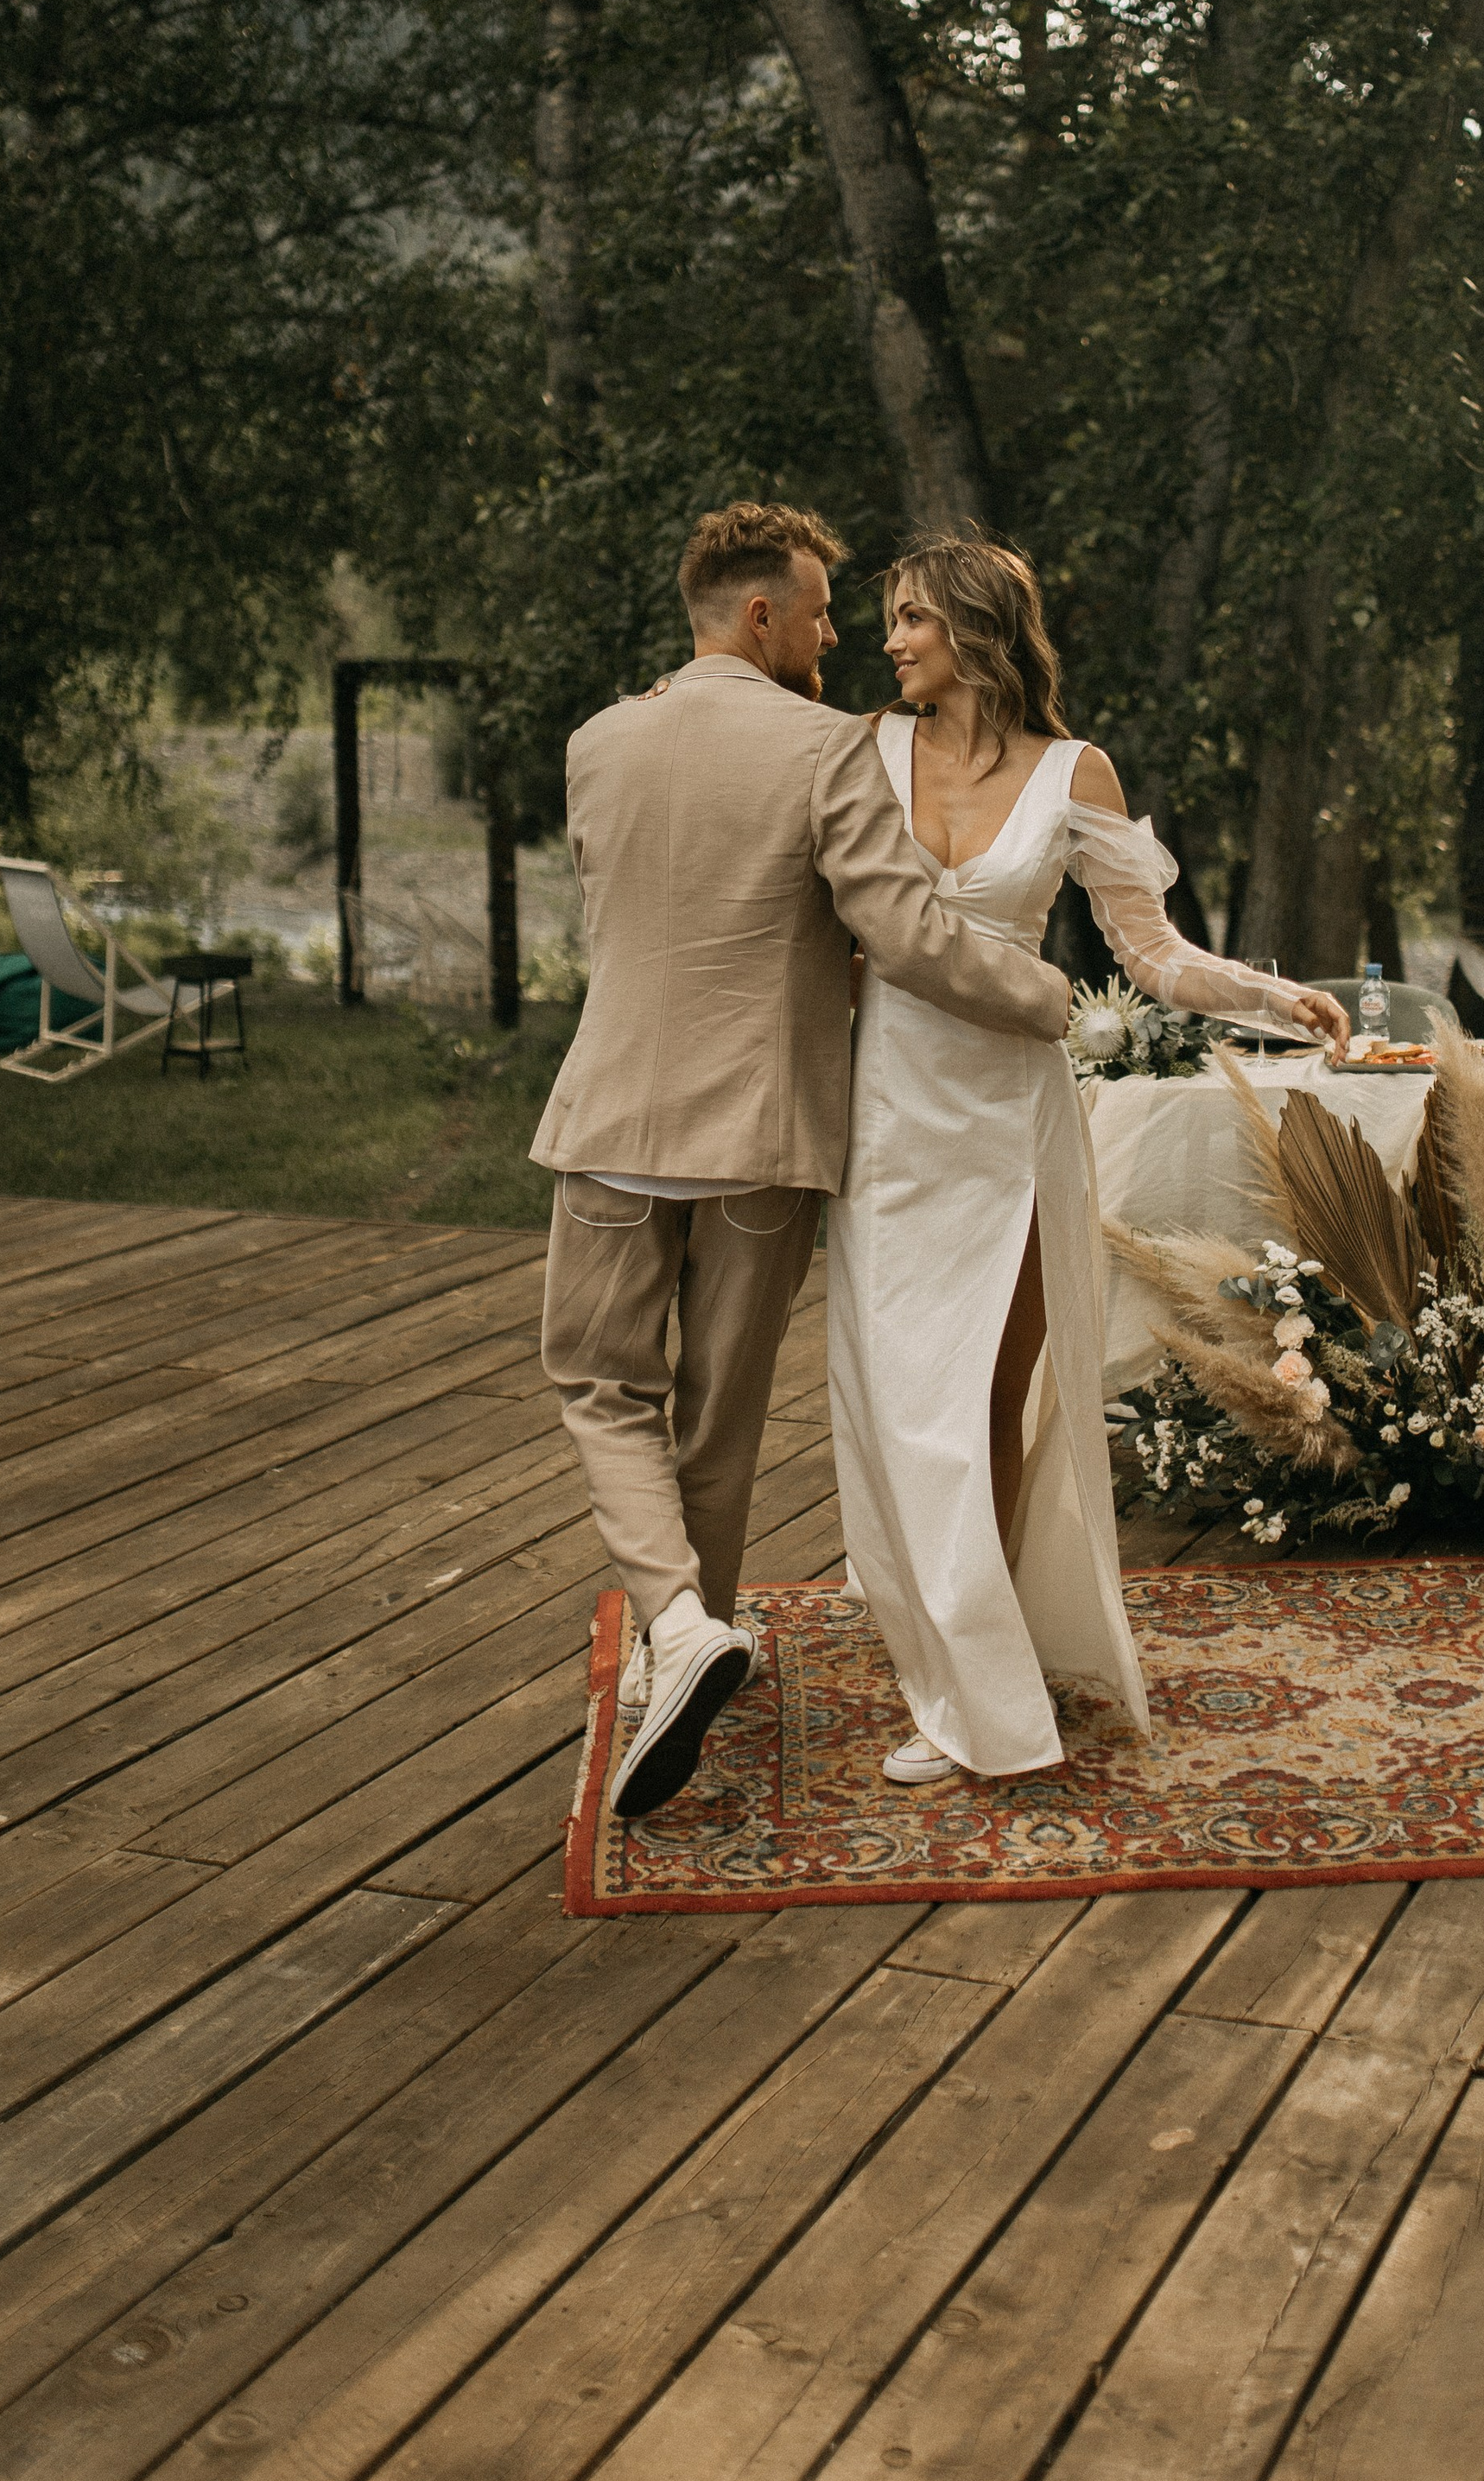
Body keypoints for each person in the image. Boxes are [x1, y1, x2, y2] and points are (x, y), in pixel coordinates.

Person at [531, 502, 1071, 1819]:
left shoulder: (597, 741)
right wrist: (1053, 1000)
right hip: (764, 1140)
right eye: (824, 613)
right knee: (718, 1416)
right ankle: (689, 1631)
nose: (838, 638)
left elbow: (619, 913)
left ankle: (678, 1628)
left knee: (601, 1385)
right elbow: (905, 932)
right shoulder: (830, 751)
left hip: (612, 1124)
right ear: (761, 614)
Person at [829, 535, 1351, 1788]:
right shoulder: (865, 750)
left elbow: (1150, 953)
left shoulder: (1077, 772)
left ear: (974, 628)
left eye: (911, 618)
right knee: (903, 1401)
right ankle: (951, 1648)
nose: (890, 641)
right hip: (886, 1113)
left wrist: (1274, 997)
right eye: (890, 619)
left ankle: (979, 1672)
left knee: (983, 1399)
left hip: (1012, 1121)